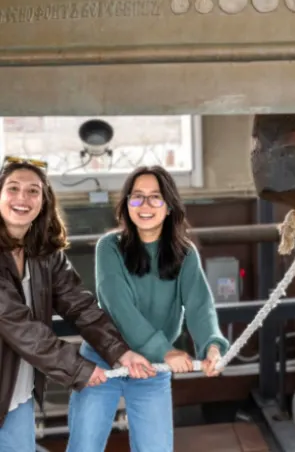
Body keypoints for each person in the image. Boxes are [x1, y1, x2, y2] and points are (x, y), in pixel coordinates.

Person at [67, 165, 230, 452]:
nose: (145, 205)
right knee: (84, 446)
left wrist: (211, 346)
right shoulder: (109, 247)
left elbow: (199, 305)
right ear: (126, 204)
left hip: (153, 367)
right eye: (137, 197)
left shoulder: (185, 253)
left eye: (155, 197)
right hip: (103, 358)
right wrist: (165, 350)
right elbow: (119, 307)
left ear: (168, 206)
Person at [0, 156, 156, 452]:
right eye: (13, 188)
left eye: (33, 191)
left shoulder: (45, 254)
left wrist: (121, 351)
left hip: (15, 391)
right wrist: (78, 368)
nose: (23, 198)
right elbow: (17, 325)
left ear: (44, 201)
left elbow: (80, 305)